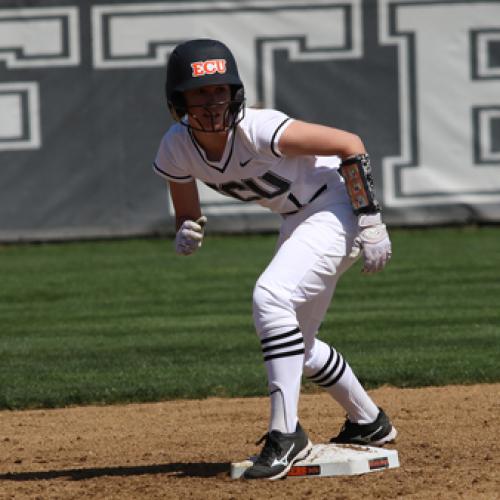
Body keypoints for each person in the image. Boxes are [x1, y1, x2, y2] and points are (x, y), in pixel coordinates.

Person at [153, 38, 397, 481]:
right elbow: (187, 213)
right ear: (179, 100)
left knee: (270, 299)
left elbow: (349, 143)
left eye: (220, 90)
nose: (212, 101)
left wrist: (370, 218)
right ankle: (369, 422)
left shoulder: (259, 128)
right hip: (298, 217)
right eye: (200, 92)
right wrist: (185, 231)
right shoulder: (175, 147)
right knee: (294, 345)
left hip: (335, 208)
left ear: (235, 92)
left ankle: (285, 436)